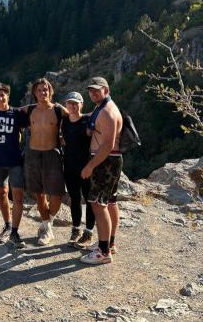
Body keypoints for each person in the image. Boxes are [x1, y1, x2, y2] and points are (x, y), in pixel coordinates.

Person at [80, 77, 123, 265]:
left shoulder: (107, 112)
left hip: (104, 161)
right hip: (110, 160)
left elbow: (107, 145)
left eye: (97, 90)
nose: (93, 93)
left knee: (98, 204)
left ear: (106, 90)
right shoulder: (102, 108)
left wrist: (90, 166)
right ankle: (109, 243)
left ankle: (103, 252)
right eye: (91, 90)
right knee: (110, 202)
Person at [22, 78, 67, 245]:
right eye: (40, 90)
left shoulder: (58, 110)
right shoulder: (29, 110)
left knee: (56, 194)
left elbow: (76, 119)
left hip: (52, 154)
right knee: (39, 194)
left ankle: (47, 224)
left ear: (50, 91)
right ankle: (46, 230)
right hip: (33, 154)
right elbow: (9, 112)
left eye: (46, 90)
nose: (43, 93)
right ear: (35, 92)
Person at [0, 83, 28, 248]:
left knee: (18, 197)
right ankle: (7, 225)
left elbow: (32, 119)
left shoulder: (16, 113)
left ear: (8, 96)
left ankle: (15, 232)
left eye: (2, 95)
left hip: (15, 161)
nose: (0, 98)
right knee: (2, 194)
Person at [61, 92, 95, 248]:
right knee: (74, 199)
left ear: (81, 105)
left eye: (76, 103)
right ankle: (76, 230)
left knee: (89, 200)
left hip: (86, 168)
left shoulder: (87, 121)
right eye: (70, 103)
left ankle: (88, 233)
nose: (73, 106)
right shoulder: (65, 122)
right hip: (69, 167)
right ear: (66, 105)